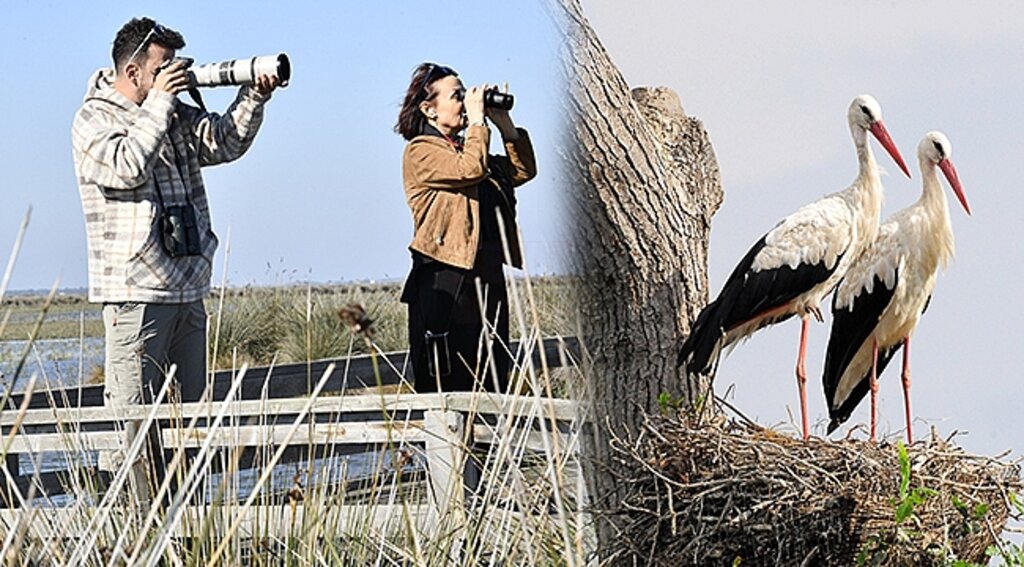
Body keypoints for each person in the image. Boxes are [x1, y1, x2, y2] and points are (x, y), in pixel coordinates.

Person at [72, 18, 279, 471]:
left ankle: (190, 539)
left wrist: (255, 95)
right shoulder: (94, 118)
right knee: (134, 431)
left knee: (190, 432)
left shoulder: (171, 112)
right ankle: (135, 532)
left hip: (187, 287)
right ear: (133, 72)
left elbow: (224, 143)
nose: (175, 75)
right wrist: (161, 102)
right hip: (135, 292)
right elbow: (126, 168)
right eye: (163, 66)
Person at [395, 63, 536, 393]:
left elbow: (522, 171)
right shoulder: (420, 151)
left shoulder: (473, 146)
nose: (465, 101)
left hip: (487, 275)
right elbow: (469, 169)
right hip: (446, 275)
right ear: (428, 109)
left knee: (492, 375)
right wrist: (477, 123)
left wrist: (504, 125)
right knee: (448, 380)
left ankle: (490, 445)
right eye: (457, 95)